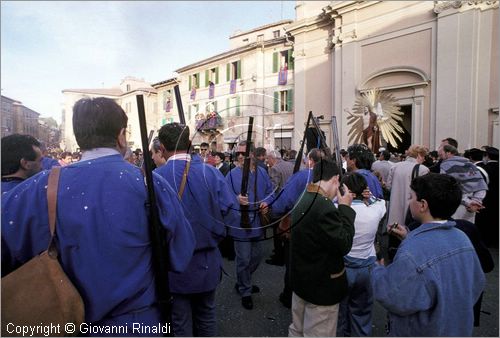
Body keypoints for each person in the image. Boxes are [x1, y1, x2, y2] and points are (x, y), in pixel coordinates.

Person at [1, 97, 195, 334]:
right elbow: (181, 254)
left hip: (65, 322)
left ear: (80, 136)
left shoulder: (40, 187)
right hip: (137, 325)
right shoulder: (150, 184)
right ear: (121, 136)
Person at [371, 173, 485, 336]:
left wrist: (378, 270)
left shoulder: (413, 251)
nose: (409, 201)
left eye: (412, 197)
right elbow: (477, 282)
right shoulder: (462, 238)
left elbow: (392, 295)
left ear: (423, 205)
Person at [156, 123, 240, 336]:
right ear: (190, 143)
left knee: (180, 323)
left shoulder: (156, 178)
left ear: (163, 146)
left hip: (174, 265)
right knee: (207, 318)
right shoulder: (210, 173)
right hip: (207, 262)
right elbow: (232, 214)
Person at [288, 159, 354, 337]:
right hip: (321, 287)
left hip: (302, 281)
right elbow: (344, 244)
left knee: (297, 330)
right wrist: (345, 208)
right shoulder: (324, 206)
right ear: (335, 179)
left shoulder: (305, 196)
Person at [271, 148, 324, 309]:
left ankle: (290, 297)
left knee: (293, 263)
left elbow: (284, 201)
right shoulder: (332, 176)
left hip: (299, 227)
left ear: (310, 161)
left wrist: (276, 213)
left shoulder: (302, 176)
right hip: (321, 229)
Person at [225, 140, 274, 310]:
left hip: (257, 223)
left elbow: (270, 191)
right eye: (237, 153)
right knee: (244, 259)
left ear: (252, 155)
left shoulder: (262, 172)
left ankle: (242, 281)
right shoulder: (231, 174)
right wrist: (235, 199)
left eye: (243, 153)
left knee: (256, 257)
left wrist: (266, 202)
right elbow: (223, 196)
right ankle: (245, 290)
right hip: (240, 224)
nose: (239, 156)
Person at [337, 173, 386, 337]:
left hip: (343, 268)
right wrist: (370, 195)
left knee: (340, 312)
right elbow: (381, 202)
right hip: (367, 266)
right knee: (362, 311)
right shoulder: (375, 210)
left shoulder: (338, 211)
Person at [440, 144, 487, 223]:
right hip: (471, 207)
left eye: (440, 154)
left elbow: (448, 189)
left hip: (455, 206)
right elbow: (481, 186)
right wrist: (476, 201)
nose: (440, 157)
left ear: (448, 153)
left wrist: (468, 202)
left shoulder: (445, 166)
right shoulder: (471, 165)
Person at [265, 149, 294, 267]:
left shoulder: (274, 169)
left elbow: (273, 188)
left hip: (280, 204)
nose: (267, 161)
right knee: (287, 229)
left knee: (277, 231)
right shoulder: (290, 165)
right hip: (291, 202)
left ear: (273, 158)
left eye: (268, 159)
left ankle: (279, 257)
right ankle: (285, 254)